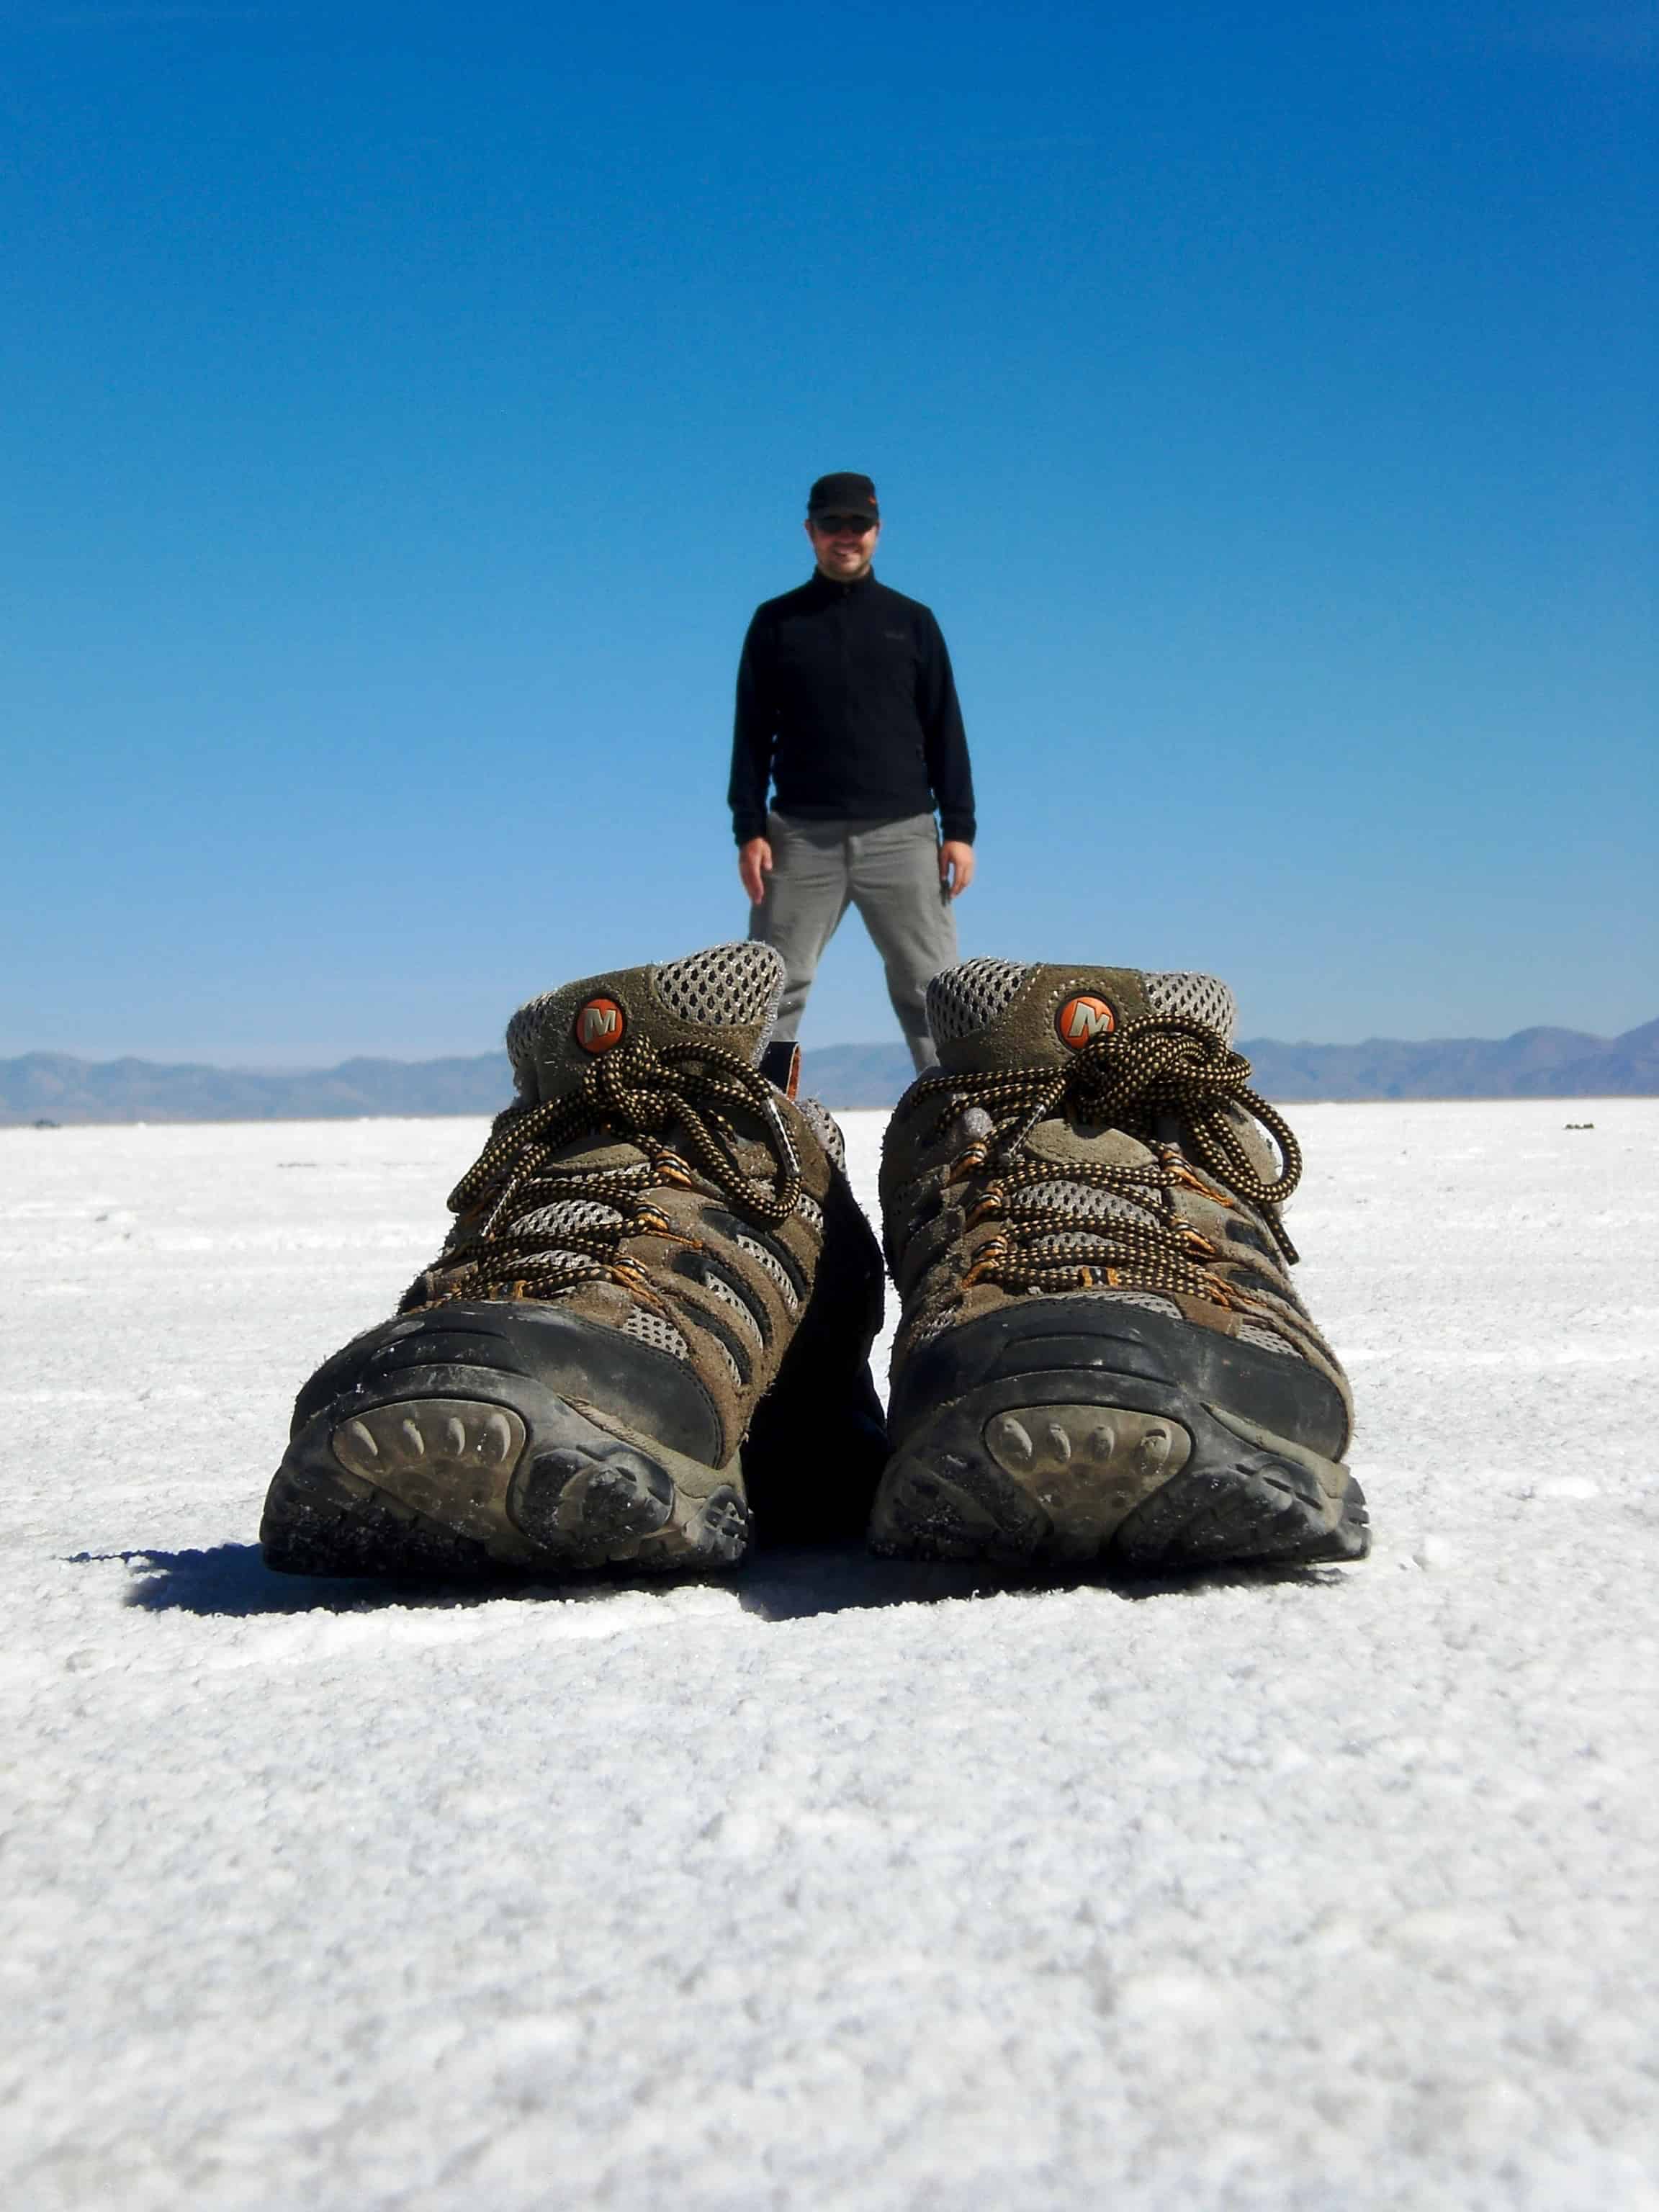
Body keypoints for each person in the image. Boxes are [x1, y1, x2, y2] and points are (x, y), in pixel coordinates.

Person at [728, 472, 976, 1078]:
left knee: (932, 991)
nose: (846, 537)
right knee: (773, 993)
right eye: (832, 524)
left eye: (857, 525)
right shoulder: (776, 623)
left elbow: (946, 726)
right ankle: (762, 1124)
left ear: (878, 531)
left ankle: (958, 1125)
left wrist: (960, 828)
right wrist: (749, 830)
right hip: (799, 839)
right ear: (810, 531)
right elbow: (751, 733)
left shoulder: (912, 622)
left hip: (903, 835)